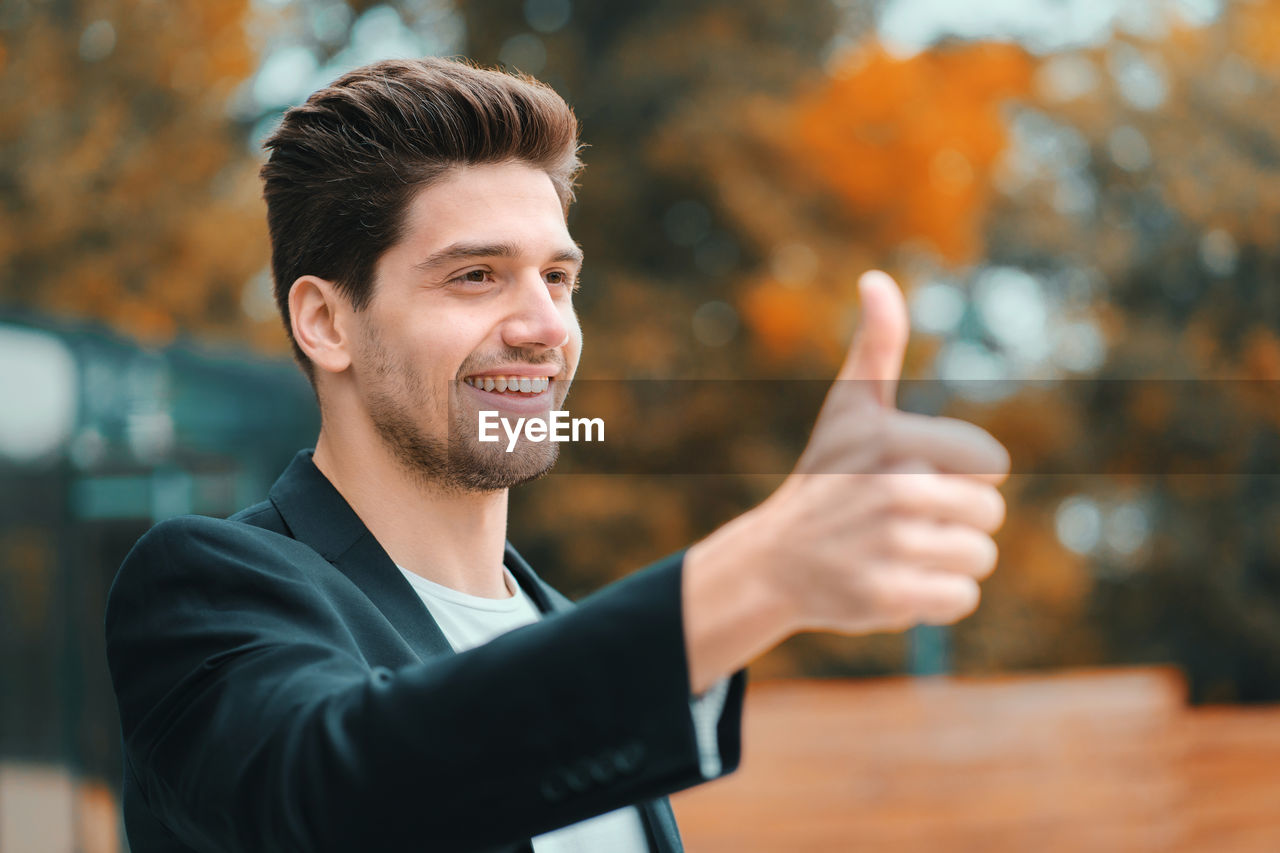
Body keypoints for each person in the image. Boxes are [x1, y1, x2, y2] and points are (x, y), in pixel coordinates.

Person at [105, 57, 1010, 853]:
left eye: (559, 278)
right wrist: (759, 573)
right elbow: (343, 794)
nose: (545, 327)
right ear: (327, 321)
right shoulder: (206, 590)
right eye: (475, 275)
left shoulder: (567, 640)